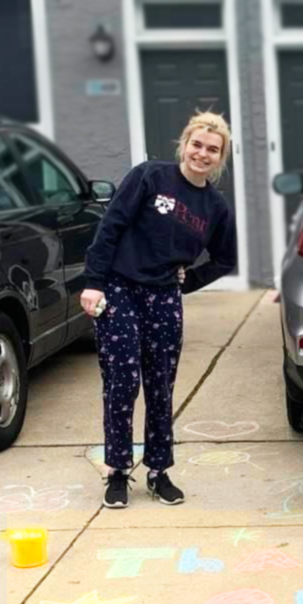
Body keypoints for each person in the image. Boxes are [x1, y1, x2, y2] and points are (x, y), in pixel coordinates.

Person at [80, 111, 237, 509]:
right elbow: (110, 227)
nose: (202, 154)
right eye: (196, 144)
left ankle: (158, 470)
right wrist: (94, 281)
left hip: (164, 296)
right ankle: (117, 470)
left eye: (212, 150)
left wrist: (189, 281)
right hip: (119, 289)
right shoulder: (149, 177)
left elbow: (225, 259)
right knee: (121, 381)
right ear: (184, 144)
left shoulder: (216, 207)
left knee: (160, 386)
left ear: (221, 159)